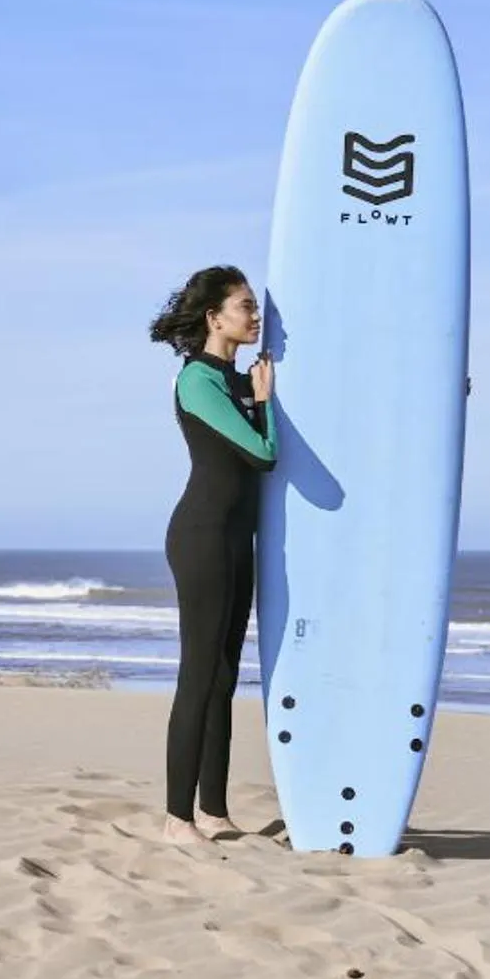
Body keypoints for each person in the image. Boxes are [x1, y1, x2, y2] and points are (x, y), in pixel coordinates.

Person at [147, 265, 275, 845]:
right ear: (214, 316)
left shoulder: (234, 378)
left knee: (224, 677)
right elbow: (262, 453)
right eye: (246, 306)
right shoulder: (199, 380)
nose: (255, 317)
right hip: (201, 537)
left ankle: (215, 813)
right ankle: (177, 819)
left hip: (235, 538)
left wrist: (257, 391)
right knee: (198, 676)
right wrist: (265, 402)